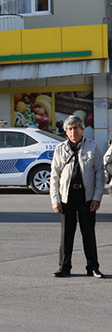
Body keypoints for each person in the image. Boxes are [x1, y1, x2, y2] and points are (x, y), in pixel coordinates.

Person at [50, 115, 105, 278]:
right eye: (70, 129)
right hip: (67, 196)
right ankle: (64, 267)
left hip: (86, 196)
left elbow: (99, 174)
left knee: (88, 233)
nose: (73, 131)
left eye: (76, 128)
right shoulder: (60, 149)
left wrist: (97, 197)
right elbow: (54, 176)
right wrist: (55, 200)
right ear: (66, 132)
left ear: (82, 129)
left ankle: (93, 267)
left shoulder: (93, 147)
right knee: (66, 233)